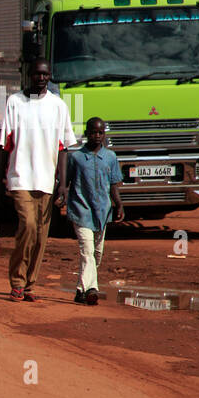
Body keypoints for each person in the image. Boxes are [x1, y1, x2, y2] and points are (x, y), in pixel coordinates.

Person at [0, 58, 76, 302]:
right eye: (37, 74)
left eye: (45, 75)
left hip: (46, 181)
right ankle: (17, 280)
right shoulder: (15, 102)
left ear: (50, 76)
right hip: (20, 178)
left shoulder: (58, 106)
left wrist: (63, 184)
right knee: (29, 226)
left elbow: (63, 148)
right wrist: (2, 178)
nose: (41, 78)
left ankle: (29, 284)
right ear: (29, 75)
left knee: (41, 236)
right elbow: (5, 144)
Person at [59, 117, 123, 306]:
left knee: (96, 254)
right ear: (87, 133)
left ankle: (80, 290)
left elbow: (113, 185)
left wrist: (118, 204)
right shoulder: (76, 158)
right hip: (81, 211)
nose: (97, 136)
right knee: (86, 251)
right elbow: (65, 182)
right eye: (93, 132)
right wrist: (61, 195)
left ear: (104, 134)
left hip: (102, 212)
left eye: (100, 132)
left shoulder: (110, 157)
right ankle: (92, 289)